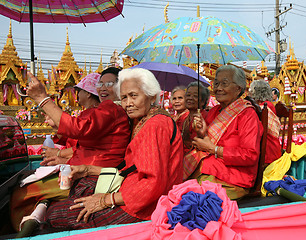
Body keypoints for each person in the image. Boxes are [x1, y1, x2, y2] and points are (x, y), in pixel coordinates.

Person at [45, 68, 184, 230]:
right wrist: (88, 169)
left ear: (152, 96)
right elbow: (133, 170)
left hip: (143, 207)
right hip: (132, 194)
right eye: (124, 97)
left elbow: (151, 184)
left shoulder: (155, 124)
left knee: (54, 215)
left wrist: (105, 200)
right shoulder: (143, 120)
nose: (128, 103)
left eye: (134, 96)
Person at [11, 68, 131, 233]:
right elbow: (82, 141)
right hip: (84, 170)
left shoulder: (112, 109)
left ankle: (21, 233)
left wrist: (42, 98)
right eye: (100, 83)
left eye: (109, 83)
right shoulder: (106, 110)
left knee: (23, 193)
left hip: (93, 176)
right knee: (25, 181)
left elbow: (78, 130)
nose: (103, 88)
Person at [188, 65, 263, 200]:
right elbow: (203, 143)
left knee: (192, 198)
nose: (218, 88)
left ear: (238, 88)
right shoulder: (214, 111)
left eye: (224, 83)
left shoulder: (247, 115)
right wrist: (201, 132)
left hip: (234, 177)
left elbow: (250, 155)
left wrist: (214, 149)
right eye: (216, 83)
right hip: (208, 168)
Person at [248, 80, 282, 164]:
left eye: (250, 92)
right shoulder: (263, 105)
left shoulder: (263, 107)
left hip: (268, 151)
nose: (249, 94)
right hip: (268, 147)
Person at [181, 82, 210, 179]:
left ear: (203, 102)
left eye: (195, 96)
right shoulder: (185, 118)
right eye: (188, 95)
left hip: (195, 160)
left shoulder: (205, 117)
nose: (190, 98)